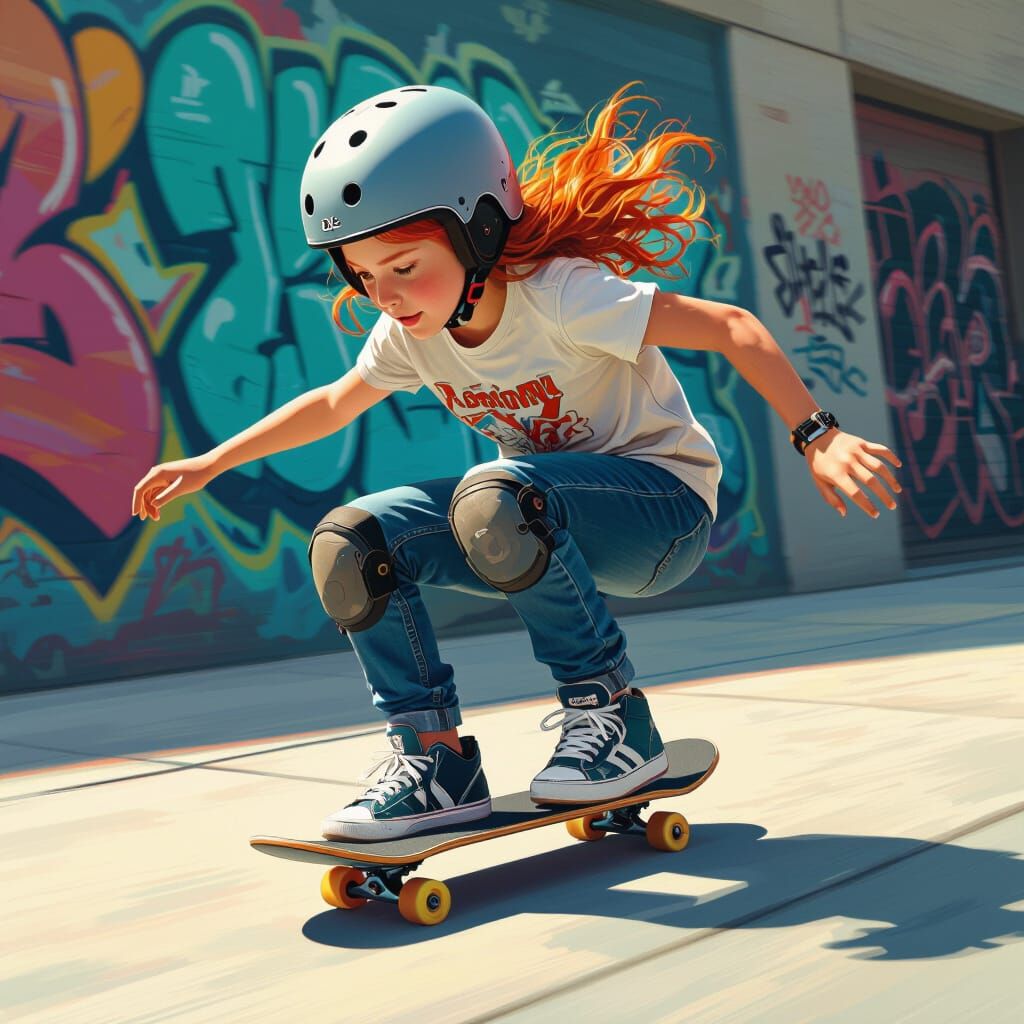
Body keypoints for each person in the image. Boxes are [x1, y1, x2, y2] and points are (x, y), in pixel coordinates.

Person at [131, 82, 901, 842]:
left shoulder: (564, 297)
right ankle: (434, 759)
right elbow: (334, 403)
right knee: (352, 541)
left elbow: (732, 326)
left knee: (494, 495)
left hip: (663, 515)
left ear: (476, 231)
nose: (386, 296)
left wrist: (819, 436)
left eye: (405, 266)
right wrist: (210, 463)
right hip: (538, 521)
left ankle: (612, 716)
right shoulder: (411, 335)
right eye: (365, 276)